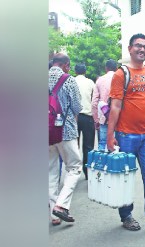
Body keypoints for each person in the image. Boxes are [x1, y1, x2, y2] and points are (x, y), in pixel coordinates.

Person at [106, 33, 145, 233]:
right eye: (138, 46)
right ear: (130, 49)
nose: (142, 50)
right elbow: (115, 106)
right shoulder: (120, 74)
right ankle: (126, 216)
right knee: (126, 178)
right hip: (126, 136)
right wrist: (110, 135)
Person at [49, 53, 83, 225]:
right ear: (65, 65)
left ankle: (54, 215)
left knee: (50, 172)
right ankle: (61, 206)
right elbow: (77, 106)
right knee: (75, 167)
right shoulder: (68, 80)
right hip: (65, 131)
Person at [75, 63, 95, 180]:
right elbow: (94, 99)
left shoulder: (71, 81)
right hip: (88, 117)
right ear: (85, 71)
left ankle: (73, 172)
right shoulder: (90, 82)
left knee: (73, 145)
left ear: (75, 71)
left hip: (74, 117)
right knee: (88, 146)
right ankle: (87, 172)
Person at [92, 59, 118, 150]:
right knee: (117, 143)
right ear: (116, 68)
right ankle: (115, 163)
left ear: (106, 68)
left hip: (104, 116)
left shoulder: (100, 80)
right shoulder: (120, 79)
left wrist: (96, 119)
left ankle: (101, 163)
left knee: (102, 142)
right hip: (119, 118)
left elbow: (94, 102)